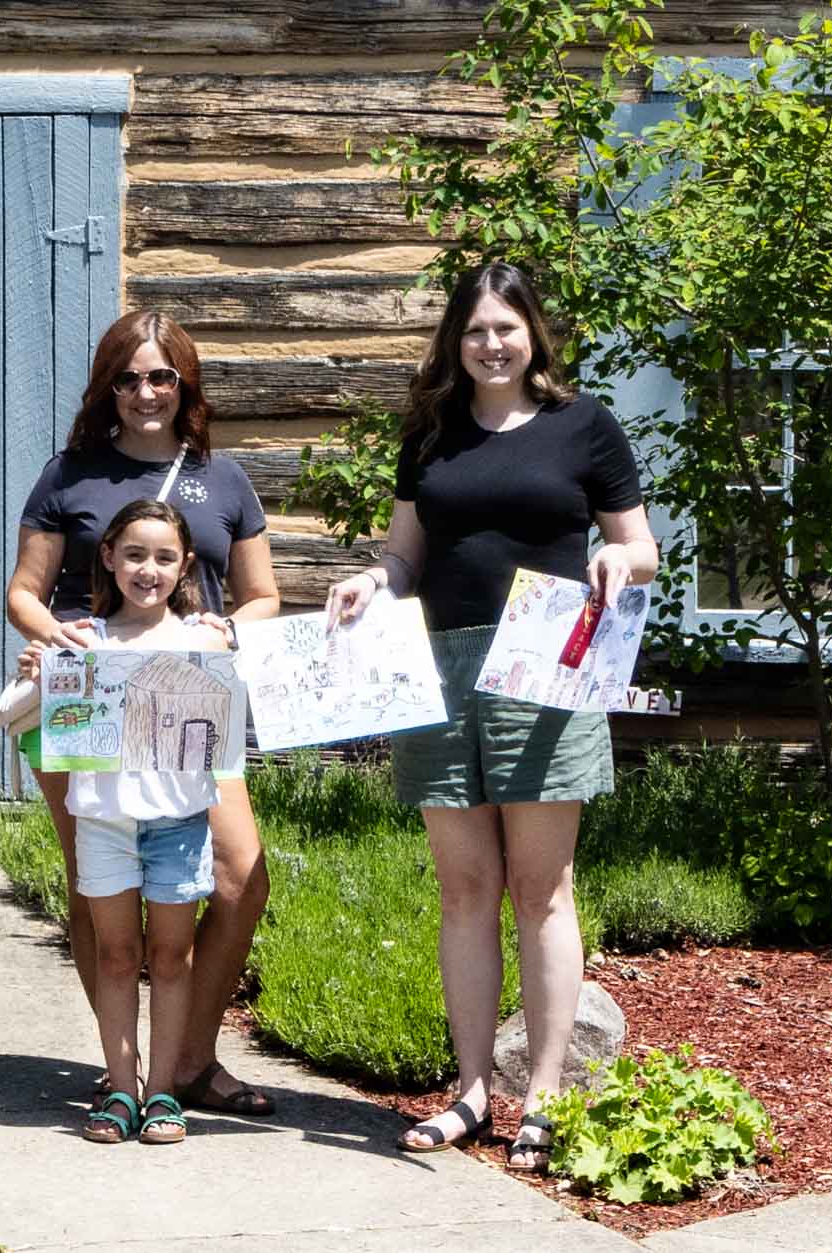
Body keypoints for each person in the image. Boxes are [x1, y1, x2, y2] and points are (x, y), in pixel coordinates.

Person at [326, 261, 657, 1171]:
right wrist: (371, 579)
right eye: (475, 330)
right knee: (464, 888)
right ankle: (472, 1090)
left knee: (541, 889)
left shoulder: (582, 425)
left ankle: (545, 1092)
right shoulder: (429, 433)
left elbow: (642, 547)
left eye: (507, 327)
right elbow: (405, 556)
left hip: (547, 664)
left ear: (533, 333)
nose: (492, 343)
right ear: (456, 341)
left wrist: (618, 566)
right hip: (439, 668)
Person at [7, 310, 282, 1115]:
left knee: (240, 875)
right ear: (108, 386)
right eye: (128, 377)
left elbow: (263, 596)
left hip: (192, 708)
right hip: (87, 702)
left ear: (185, 384)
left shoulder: (222, 479)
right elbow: (24, 590)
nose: (145, 392)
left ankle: (190, 1059)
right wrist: (56, 636)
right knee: (100, 884)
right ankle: (124, 1072)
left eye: (162, 376)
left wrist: (226, 628)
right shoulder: (70, 474)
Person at [21, 500, 231, 1145]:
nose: (149, 570)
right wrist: (36, 675)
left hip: (180, 820)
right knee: (116, 956)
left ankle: (163, 1092)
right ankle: (119, 1087)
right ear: (108, 558)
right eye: (135, 555)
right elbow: (29, 717)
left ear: (185, 565)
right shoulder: (82, 640)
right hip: (103, 821)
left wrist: (227, 645)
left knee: (172, 957)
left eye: (165, 558)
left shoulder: (202, 642)